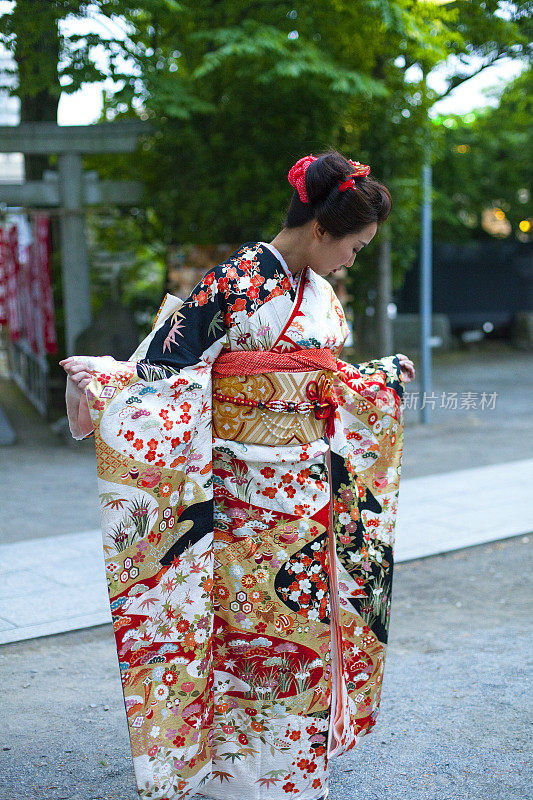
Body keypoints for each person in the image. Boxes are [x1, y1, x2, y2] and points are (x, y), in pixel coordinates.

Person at [60, 149, 415, 800]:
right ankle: (241, 784)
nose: (351, 260)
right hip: (244, 506)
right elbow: (167, 374)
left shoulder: (316, 292)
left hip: (308, 503)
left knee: (304, 639)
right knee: (252, 643)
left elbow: (327, 380)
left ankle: (298, 779)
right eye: (355, 248)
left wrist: (378, 381)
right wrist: (109, 380)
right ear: (321, 230)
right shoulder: (235, 282)